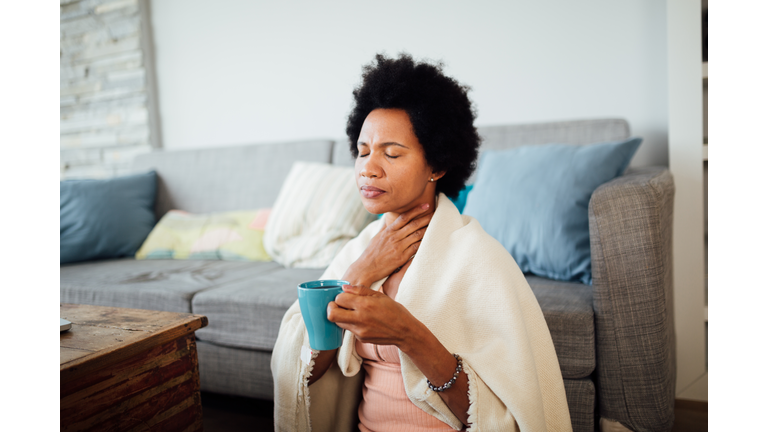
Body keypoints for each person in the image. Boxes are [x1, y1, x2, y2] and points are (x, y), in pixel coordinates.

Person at [272, 53, 572, 432]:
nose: (368, 167)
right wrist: (361, 273)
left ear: (437, 165)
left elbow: (502, 419)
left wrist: (408, 335)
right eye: (363, 151)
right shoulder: (360, 251)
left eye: (391, 153)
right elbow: (307, 376)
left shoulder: (479, 260)